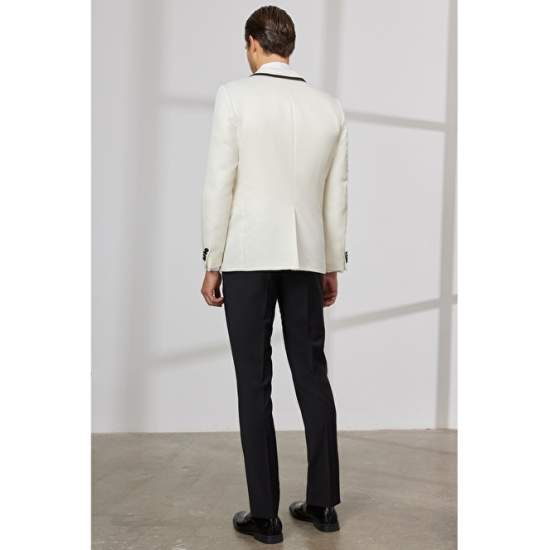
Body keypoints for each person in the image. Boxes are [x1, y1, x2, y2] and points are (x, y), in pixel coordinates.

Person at [200, 5, 348, 545]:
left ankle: (265, 515)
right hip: (306, 256)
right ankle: (323, 504)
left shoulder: (234, 97)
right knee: (312, 374)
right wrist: (331, 263)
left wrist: (212, 260)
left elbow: (220, 182)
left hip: (247, 256)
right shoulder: (328, 107)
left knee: (253, 381)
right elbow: (335, 195)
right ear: (290, 45)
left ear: (253, 43)